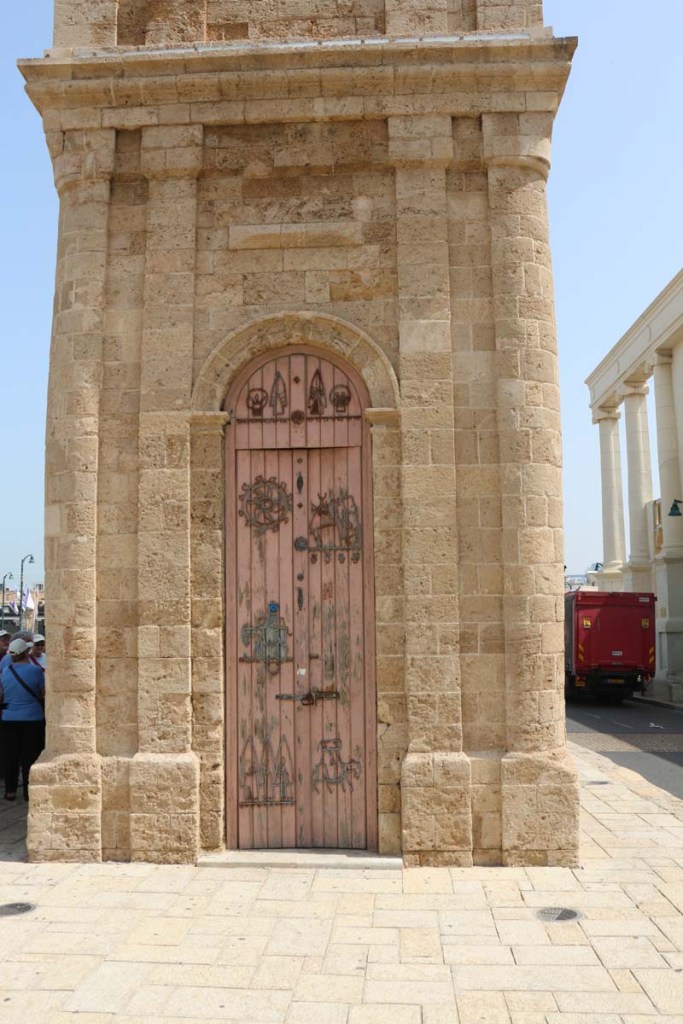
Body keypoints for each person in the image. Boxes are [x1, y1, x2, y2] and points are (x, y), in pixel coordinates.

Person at [0, 637, 45, 802]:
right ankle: (28, 792)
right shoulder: (35, 672)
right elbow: (42, 692)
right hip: (33, 719)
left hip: (9, 719)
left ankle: (10, 792)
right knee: (30, 757)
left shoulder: (5, 672)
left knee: (10, 756)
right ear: (26, 652)